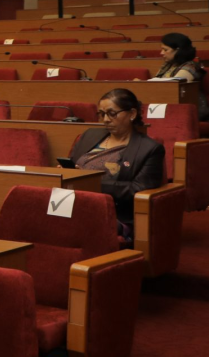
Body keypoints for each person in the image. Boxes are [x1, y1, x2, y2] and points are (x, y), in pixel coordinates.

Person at [69, 88, 165, 243]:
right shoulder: (89, 135)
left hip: (114, 212)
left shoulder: (149, 149)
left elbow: (137, 189)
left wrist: (91, 183)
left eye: (112, 113)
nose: (106, 119)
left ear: (132, 114)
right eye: (101, 114)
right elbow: (73, 165)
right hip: (74, 200)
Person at [151, 32, 209, 121]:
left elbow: (173, 86)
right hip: (166, 104)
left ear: (178, 50)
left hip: (189, 109)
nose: (161, 53)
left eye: (165, 50)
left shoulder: (191, 66)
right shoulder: (167, 65)